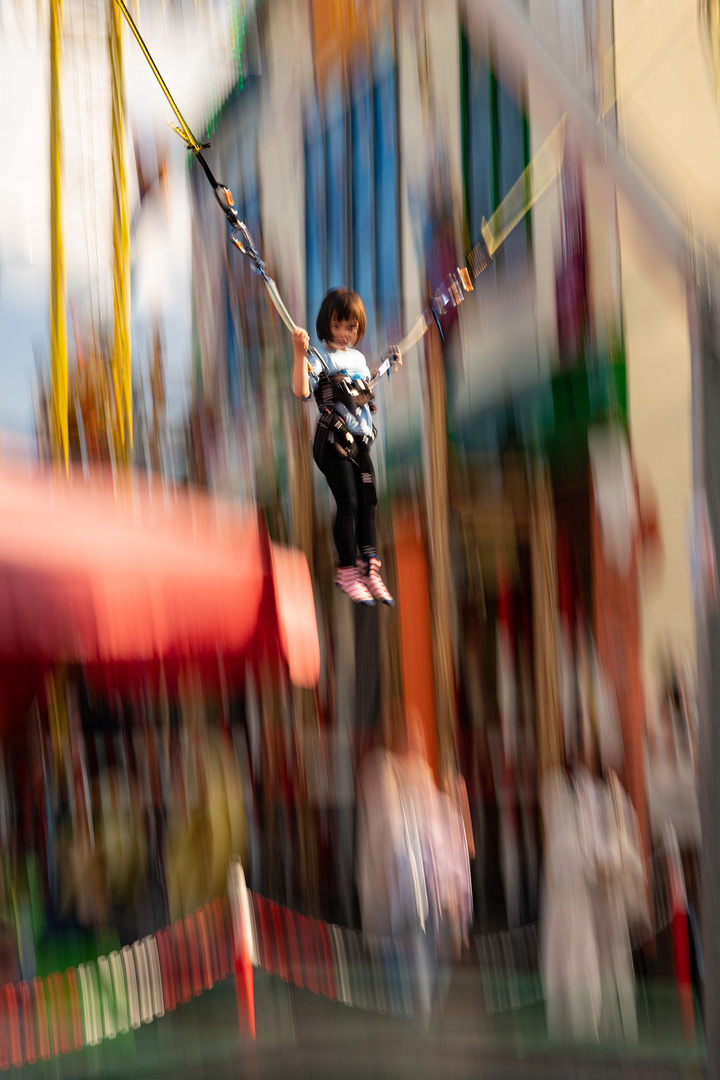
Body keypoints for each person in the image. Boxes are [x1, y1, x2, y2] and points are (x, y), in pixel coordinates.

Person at [292, 288, 401, 606]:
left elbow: (366, 385)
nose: (343, 334)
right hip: (333, 443)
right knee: (349, 504)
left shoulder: (359, 360)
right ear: (327, 325)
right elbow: (301, 391)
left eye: (351, 327)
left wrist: (387, 361)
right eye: (338, 326)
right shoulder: (320, 358)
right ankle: (346, 571)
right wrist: (299, 353)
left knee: (370, 504)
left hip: (361, 443)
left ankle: (370, 568)